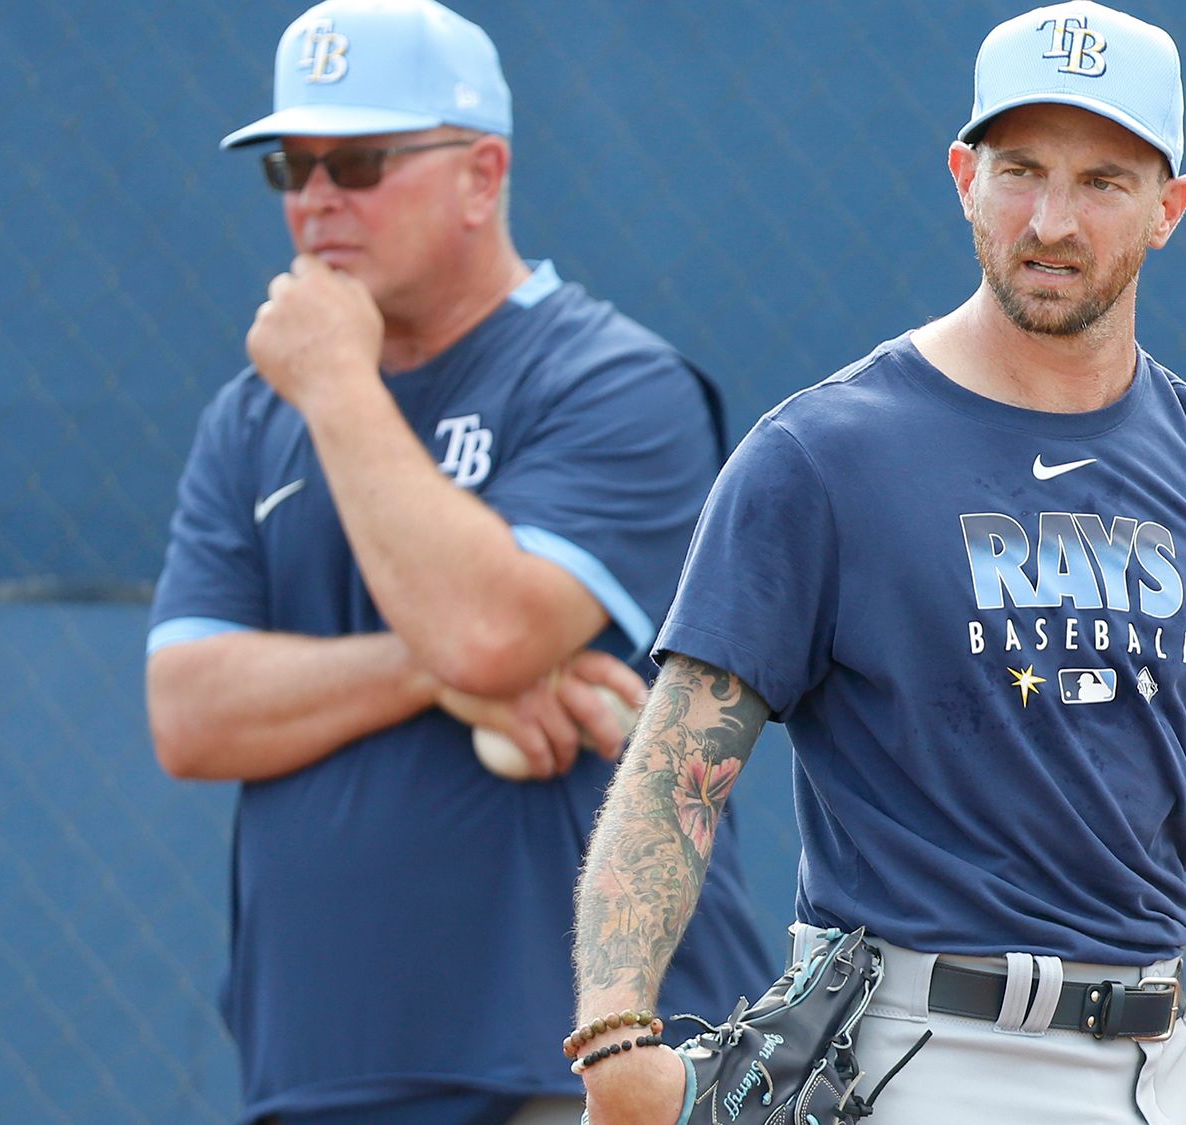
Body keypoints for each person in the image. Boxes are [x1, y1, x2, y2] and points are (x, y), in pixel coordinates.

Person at [569, 3, 1186, 1121]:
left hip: (1154, 1071)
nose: (1051, 221)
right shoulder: (823, 457)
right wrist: (614, 1031)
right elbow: (677, 763)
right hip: (904, 1058)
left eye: (1103, 181)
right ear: (961, 176)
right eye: (1019, 169)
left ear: (1167, 209)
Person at [145, 2, 770, 1122]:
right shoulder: (251, 419)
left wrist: (339, 382)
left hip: (587, 1060)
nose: (315, 199)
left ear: (482, 175)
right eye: (289, 166)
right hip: (328, 1061)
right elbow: (190, 712)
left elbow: (489, 631)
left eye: (359, 159)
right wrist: (427, 672)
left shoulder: (611, 380)